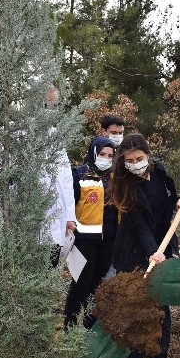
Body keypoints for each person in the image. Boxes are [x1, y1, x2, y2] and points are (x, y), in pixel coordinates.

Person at [109, 133, 180, 358]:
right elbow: (139, 226)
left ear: (148, 155)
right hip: (135, 248)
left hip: (162, 242)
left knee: (161, 299)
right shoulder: (124, 185)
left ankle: (158, 357)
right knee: (137, 302)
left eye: (139, 158)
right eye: (129, 161)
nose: (135, 164)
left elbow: (169, 196)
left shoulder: (159, 170)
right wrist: (153, 251)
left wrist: (177, 202)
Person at [64, 136, 117, 329]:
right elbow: (69, 204)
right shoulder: (79, 174)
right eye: (102, 154)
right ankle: (70, 327)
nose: (106, 159)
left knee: (97, 285)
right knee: (80, 283)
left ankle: (90, 326)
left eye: (110, 156)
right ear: (94, 153)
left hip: (108, 241)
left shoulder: (115, 178)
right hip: (83, 240)